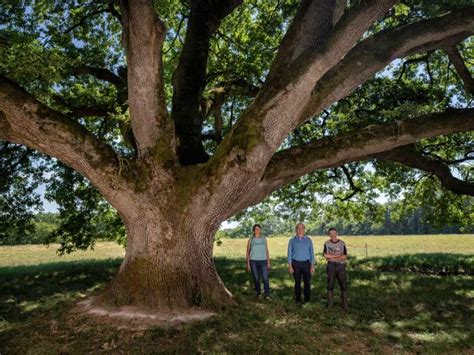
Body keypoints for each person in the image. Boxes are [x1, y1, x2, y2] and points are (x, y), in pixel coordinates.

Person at [287, 223, 315, 303]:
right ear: (296, 230)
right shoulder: (292, 240)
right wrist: (290, 266)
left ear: (304, 229)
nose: (300, 230)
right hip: (296, 264)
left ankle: (307, 299)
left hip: (306, 264)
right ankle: (298, 299)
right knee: (297, 282)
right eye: (298, 228)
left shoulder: (309, 240)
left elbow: (312, 253)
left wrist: (312, 265)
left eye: (302, 228)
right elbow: (289, 254)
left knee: (307, 282)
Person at [323, 227, 348, 310]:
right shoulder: (326, 243)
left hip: (341, 266)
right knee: (330, 284)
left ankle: (344, 303)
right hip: (331, 266)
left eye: (334, 233)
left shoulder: (342, 243)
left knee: (343, 284)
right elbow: (325, 255)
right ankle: (330, 303)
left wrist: (332, 257)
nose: (333, 235)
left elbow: (344, 256)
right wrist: (337, 256)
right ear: (329, 235)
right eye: (331, 233)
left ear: (336, 233)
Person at [246, 224, 271, 298]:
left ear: (260, 230)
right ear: (253, 231)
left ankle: (267, 294)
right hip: (253, 261)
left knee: (265, 278)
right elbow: (247, 252)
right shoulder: (250, 240)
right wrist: (248, 264)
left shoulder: (264, 239)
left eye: (259, 229)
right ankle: (258, 293)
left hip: (263, 261)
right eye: (256, 229)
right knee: (256, 278)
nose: (257, 230)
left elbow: (267, 250)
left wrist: (268, 262)